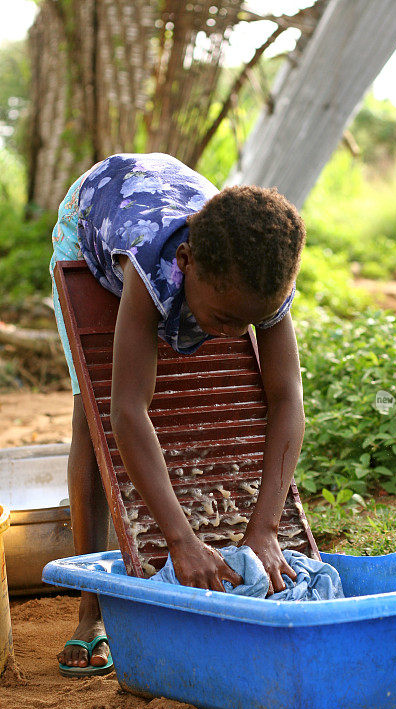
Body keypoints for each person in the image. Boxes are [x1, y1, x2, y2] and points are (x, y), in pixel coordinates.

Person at [50, 153, 306, 676]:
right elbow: (126, 409)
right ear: (186, 261)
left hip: (177, 212)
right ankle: (91, 611)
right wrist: (180, 540)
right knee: (93, 408)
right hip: (96, 221)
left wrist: (264, 529)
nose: (237, 337)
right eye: (226, 319)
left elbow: (286, 398)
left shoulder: (254, 278)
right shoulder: (149, 266)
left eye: (252, 323)